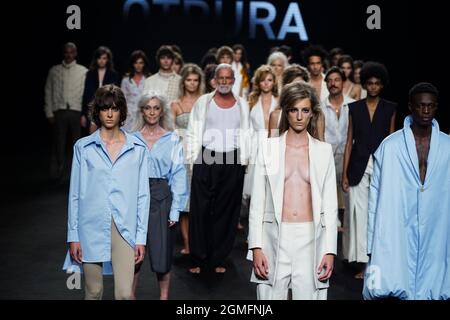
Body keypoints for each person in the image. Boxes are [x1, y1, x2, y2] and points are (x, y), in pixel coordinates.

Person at [248, 82, 338, 300]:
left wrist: (330, 250)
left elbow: (330, 205)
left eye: (305, 110)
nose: (299, 116)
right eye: (294, 110)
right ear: (286, 111)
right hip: (274, 236)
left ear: (311, 113)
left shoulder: (324, 152)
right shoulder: (268, 148)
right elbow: (258, 202)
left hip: (311, 238)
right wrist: (256, 247)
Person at [363, 83, 450, 300]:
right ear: (411, 107)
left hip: (437, 224)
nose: (426, 111)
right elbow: (375, 195)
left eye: (430, 106)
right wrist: (371, 241)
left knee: (436, 276)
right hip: (398, 223)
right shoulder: (390, 146)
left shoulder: (447, 146)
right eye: (421, 106)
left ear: (436, 107)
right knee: (395, 274)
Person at [62, 85, 150, 300]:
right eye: (104, 108)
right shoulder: (83, 147)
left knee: (124, 294)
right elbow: (75, 194)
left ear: (122, 111)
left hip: (125, 227)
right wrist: (73, 236)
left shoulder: (138, 148)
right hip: (90, 226)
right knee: (93, 292)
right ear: (97, 112)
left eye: (114, 108)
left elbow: (143, 196)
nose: (109, 114)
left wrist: (141, 238)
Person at [185, 64, 252, 274]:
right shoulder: (204, 102)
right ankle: (198, 257)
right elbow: (192, 131)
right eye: (220, 78)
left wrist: (245, 161)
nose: (224, 82)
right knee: (201, 209)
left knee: (226, 212)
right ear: (214, 80)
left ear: (233, 80)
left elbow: (247, 134)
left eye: (228, 78)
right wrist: (191, 160)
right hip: (206, 157)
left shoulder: (242, 104)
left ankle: (218, 258)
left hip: (232, 160)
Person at [342, 62, 396, 278]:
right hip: (357, 167)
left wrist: (392, 174)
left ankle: (377, 261)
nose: (373, 87)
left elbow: (391, 143)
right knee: (359, 215)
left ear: (382, 85)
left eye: (377, 83)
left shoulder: (390, 108)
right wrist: (344, 174)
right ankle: (364, 263)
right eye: (370, 83)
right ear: (364, 84)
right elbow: (349, 142)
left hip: (382, 166)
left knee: (379, 215)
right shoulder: (354, 108)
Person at [132, 92, 188, 300]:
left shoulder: (172, 139)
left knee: (162, 252)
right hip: (135, 195)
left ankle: (163, 297)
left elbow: (179, 173)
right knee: (132, 253)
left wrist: (175, 209)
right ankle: (129, 296)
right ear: (142, 111)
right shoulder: (131, 139)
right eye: (148, 107)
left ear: (161, 111)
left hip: (162, 195)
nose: (152, 112)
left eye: (156, 107)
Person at [170, 63, 204, 255]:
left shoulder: (206, 102)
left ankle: (200, 243)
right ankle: (188, 245)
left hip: (203, 156)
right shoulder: (175, 104)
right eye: (189, 80)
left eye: (195, 80)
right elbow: (171, 133)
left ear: (199, 82)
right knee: (185, 204)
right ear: (183, 82)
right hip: (182, 157)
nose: (192, 83)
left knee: (201, 202)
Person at [321, 67, 355, 255]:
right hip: (327, 154)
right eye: (330, 80)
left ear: (343, 82)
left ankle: (350, 243)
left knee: (349, 194)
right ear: (326, 84)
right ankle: (330, 229)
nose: (333, 83)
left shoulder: (353, 105)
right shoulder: (320, 106)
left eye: (337, 80)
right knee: (327, 194)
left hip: (349, 155)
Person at [44, 42, 87, 183]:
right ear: (63, 53)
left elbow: (85, 94)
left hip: (76, 111)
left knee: (77, 144)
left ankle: (75, 175)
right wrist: (49, 112)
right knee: (58, 143)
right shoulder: (54, 70)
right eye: (66, 52)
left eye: (71, 52)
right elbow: (48, 91)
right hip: (60, 111)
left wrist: (84, 114)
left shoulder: (83, 71)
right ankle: (58, 174)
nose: (69, 55)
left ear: (75, 53)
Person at [82, 46, 120, 133]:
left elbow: (115, 96)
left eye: (104, 58)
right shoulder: (90, 74)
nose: (102, 61)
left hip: (107, 109)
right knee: (91, 135)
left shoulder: (113, 75)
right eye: (99, 58)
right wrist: (83, 114)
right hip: (91, 109)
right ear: (96, 59)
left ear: (108, 60)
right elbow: (86, 95)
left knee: (106, 133)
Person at [121, 50, 151, 132]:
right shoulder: (126, 80)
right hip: (129, 116)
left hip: (144, 114)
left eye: (141, 63)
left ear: (144, 64)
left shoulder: (149, 79)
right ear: (132, 64)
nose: (138, 65)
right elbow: (122, 99)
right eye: (136, 63)